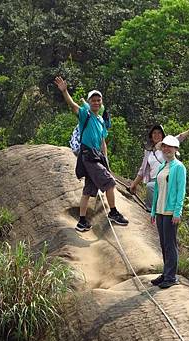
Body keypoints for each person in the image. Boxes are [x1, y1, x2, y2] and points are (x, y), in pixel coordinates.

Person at [54, 76, 128, 232]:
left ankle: (82, 221)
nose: (96, 102)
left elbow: (102, 142)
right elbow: (72, 105)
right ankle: (113, 213)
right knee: (109, 183)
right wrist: (65, 91)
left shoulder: (101, 120)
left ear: (101, 102)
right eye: (93, 100)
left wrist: (106, 160)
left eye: (98, 100)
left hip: (97, 156)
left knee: (88, 190)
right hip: (89, 156)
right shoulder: (84, 115)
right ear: (89, 102)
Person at [130, 124, 189, 211]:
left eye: (159, 133)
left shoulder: (166, 147)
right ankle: (152, 210)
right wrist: (134, 184)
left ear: (162, 135)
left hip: (167, 178)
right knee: (150, 187)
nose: (156, 135)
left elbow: (179, 138)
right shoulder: (148, 152)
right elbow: (142, 170)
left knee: (150, 187)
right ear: (151, 136)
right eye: (154, 133)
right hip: (154, 180)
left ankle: (157, 210)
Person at [150, 135, 186, 289]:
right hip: (160, 210)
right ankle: (166, 273)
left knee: (170, 244)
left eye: (169, 146)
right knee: (164, 244)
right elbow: (157, 191)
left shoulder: (179, 167)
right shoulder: (161, 166)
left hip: (171, 211)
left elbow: (181, 191)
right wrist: (153, 211)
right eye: (164, 146)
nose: (166, 149)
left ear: (175, 149)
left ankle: (171, 276)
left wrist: (177, 212)